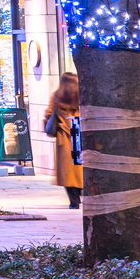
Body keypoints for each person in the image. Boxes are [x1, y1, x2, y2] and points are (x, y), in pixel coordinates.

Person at [48, 72, 83, 209]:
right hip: (80, 135)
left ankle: (74, 201)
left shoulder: (56, 97)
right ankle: (81, 195)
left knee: (68, 171)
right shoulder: (82, 96)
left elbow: (48, 116)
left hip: (65, 139)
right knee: (80, 168)